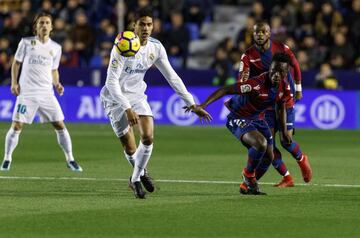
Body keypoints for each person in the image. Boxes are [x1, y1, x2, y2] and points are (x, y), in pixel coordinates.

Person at [100, 8, 211, 199]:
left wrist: (191, 103)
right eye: (142, 24)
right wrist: (126, 108)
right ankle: (141, 172)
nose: (146, 28)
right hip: (114, 98)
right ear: (134, 25)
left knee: (148, 137)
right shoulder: (121, 46)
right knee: (129, 147)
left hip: (137, 96)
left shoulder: (156, 47)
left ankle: (135, 179)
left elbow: (172, 77)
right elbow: (111, 82)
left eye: (149, 24)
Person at [187, 53, 292, 195]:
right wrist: (203, 105)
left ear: (286, 73)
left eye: (281, 72)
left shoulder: (284, 86)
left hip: (258, 119)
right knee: (260, 143)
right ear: (270, 68)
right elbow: (225, 89)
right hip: (238, 117)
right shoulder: (255, 84)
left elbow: (280, 106)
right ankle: (248, 175)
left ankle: (248, 186)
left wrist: (284, 131)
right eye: (274, 70)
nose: (276, 75)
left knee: (269, 156)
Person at [1, 12, 82, 172]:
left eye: (47, 23)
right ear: (36, 27)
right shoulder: (26, 43)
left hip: (46, 93)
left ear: (51, 27)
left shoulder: (56, 48)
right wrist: (14, 83)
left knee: (60, 124)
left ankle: (70, 159)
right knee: (17, 126)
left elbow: (54, 70)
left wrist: (57, 83)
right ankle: (7, 158)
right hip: (27, 93)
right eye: (41, 23)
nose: (44, 25)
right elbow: (16, 64)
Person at [238, 22, 312, 187]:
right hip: (267, 103)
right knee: (268, 145)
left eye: (263, 32)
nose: (260, 35)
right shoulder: (248, 55)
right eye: (257, 32)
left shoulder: (280, 48)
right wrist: (245, 85)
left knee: (286, 139)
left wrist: (298, 88)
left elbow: (296, 65)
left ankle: (301, 159)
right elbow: (241, 79)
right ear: (253, 34)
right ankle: (286, 177)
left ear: (269, 33)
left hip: (284, 98)